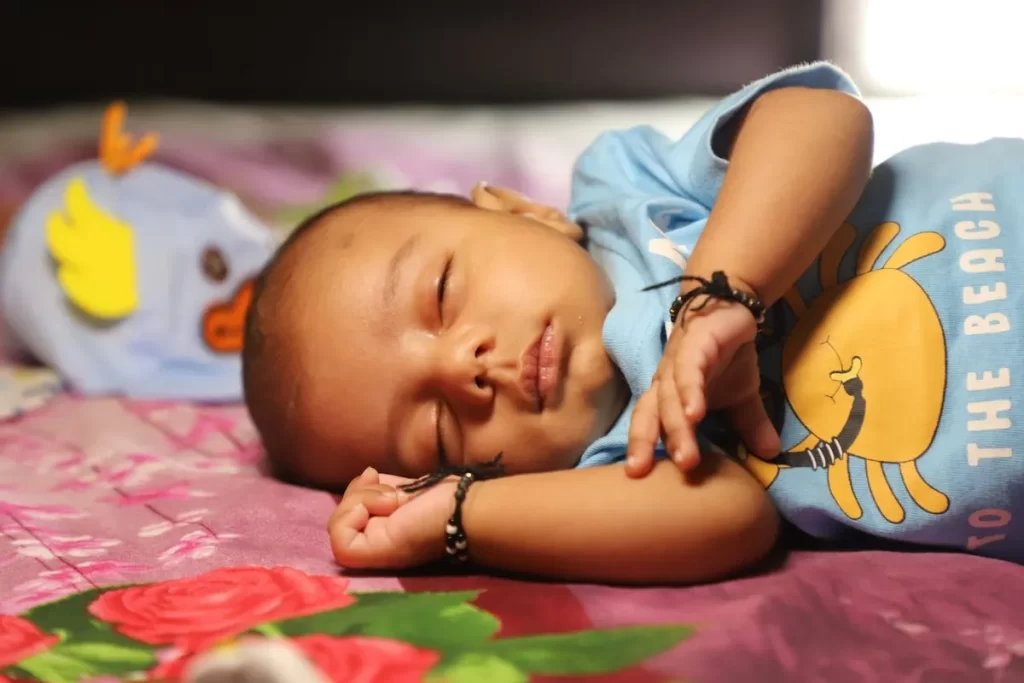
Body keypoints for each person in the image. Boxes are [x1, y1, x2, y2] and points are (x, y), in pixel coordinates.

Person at [244, 61, 1023, 584]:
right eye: (442, 429)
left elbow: (823, 115)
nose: (466, 368)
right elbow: (732, 518)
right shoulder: (609, 468)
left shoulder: (630, 191)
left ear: (526, 212)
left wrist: (721, 290)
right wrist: (457, 517)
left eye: (443, 293)